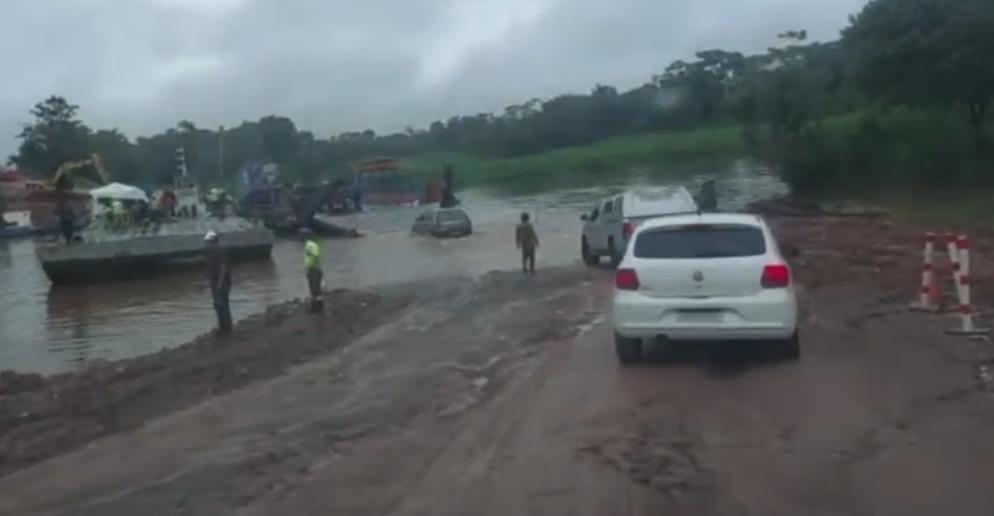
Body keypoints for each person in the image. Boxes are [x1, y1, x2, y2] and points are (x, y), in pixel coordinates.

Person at [205, 231, 233, 334]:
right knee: (218, 305)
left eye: (208, 242)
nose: (207, 244)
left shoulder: (219, 251)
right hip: (216, 282)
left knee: (222, 305)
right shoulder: (212, 253)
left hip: (221, 283)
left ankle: (226, 329)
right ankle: (224, 327)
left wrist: (219, 285)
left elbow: (223, 268)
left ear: (212, 242)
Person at [303, 236, 324, 312]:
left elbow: (316, 255)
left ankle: (317, 308)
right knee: (313, 288)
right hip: (312, 268)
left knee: (315, 289)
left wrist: (312, 265)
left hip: (314, 269)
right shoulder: (308, 245)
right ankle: (316, 307)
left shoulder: (311, 245)